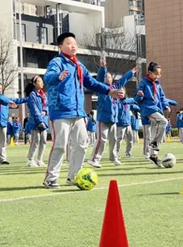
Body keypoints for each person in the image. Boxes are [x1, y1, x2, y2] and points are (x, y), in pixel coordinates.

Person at [42, 32, 123, 189]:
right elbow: (48, 77)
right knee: (60, 145)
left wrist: (109, 91)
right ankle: (51, 178)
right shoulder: (57, 62)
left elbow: (91, 82)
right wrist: (58, 76)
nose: (73, 46)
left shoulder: (79, 65)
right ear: (61, 47)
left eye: (75, 43)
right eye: (69, 43)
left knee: (82, 144)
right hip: (60, 111)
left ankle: (74, 176)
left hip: (78, 112)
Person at [90, 60, 137, 168]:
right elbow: (99, 78)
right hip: (103, 119)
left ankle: (113, 157)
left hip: (113, 119)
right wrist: (102, 68)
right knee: (102, 139)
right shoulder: (101, 88)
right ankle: (94, 159)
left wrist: (131, 72)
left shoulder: (116, 87)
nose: (108, 77)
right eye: (106, 76)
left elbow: (123, 80)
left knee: (114, 140)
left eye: (109, 76)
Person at [136, 61, 176, 167]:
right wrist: (140, 95)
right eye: (157, 74)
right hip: (148, 109)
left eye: (159, 74)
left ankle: (153, 155)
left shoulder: (157, 84)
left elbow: (162, 97)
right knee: (163, 121)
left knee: (154, 131)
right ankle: (154, 143)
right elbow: (137, 98)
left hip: (157, 109)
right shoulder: (143, 83)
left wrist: (166, 105)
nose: (158, 76)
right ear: (150, 72)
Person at [0, 82, 26, 166]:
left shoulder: (4, 99)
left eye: (0, 88)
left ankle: (3, 159)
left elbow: (16, 100)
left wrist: (27, 99)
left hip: (3, 123)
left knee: (2, 143)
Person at [25, 75, 48, 167]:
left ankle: (40, 159)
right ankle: (30, 160)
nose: (41, 83)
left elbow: (47, 106)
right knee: (35, 141)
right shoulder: (32, 95)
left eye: (42, 81)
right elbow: (34, 109)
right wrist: (39, 121)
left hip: (44, 120)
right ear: (34, 83)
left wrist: (45, 111)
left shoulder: (43, 94)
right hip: (35, 121)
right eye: (39, 81)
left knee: (44, 141)